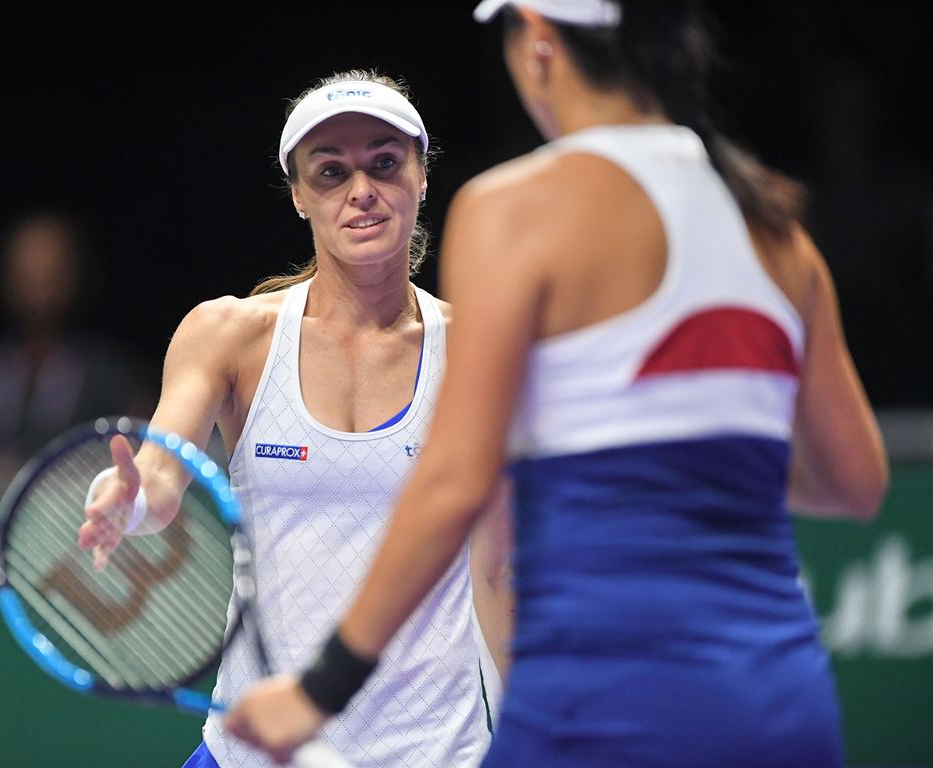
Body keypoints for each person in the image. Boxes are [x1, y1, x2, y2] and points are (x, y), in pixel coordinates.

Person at [222, 2, 889, 767]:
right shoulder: (775, 228)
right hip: (784, 702)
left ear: (538, 43)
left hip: (599, 709)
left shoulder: (515, 210)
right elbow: (856, 483)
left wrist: (318, 691)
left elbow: (455, 483)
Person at [78, 70, 511, 768]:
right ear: (299, 196)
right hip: (250, 753)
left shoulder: (478, 352)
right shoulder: (227, 335)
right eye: (331, 172)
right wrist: (125, 498)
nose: (361, 190)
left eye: (384, 163)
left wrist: (531, 736)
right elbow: (158, 477)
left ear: (422, 177)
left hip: (435, 751)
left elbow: (496, 571)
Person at [0, 212, 150, 494]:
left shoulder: (110, 377)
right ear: (5, 277)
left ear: (77, 276)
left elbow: (135, 458)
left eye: (52, 272)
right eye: (26, 272)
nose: (39, 282)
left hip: (69, 514)